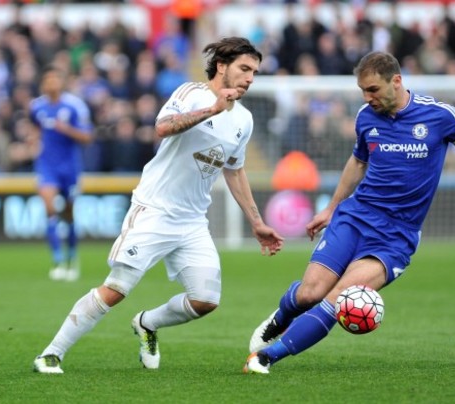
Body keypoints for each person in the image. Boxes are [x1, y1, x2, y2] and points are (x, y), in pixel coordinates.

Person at [243, 51, 455, 374]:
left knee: (340, 296)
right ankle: (280, 318)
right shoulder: (365, 118)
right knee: (310, 292)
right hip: (354, 218)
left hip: (395, 237)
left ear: (396, 82)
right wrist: (331, 208)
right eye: (362, 91)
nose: (367, 98)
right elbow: (357, 162)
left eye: (372, 90)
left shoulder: (439, 116)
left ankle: (266, 357)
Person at [33, 37, 284, 374]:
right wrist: (211, 109)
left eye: (254, 71)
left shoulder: (244, 120)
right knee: (117, 287)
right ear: (222, 66)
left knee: (206, 300)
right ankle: (52, 353)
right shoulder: (190, 93)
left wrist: (256, 222)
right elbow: (162, 128)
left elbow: (234, 171)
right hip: (155, 209)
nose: (250, 77)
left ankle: (147, 323)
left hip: (193, 221)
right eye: (244, 68)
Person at [28, 66, 93, 281]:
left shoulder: (75, 106)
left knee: (68, 213)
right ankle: (57, 261)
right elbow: (34, 127)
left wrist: (66, 129)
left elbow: (87, 137)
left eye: (55, 79)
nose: (51, 83)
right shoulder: (36, 106)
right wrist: (34, 141)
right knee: (48, 207)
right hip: (47, 165)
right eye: (47, 80)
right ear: (43, 84)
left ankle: (71, 258)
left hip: (70, 167)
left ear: (61, 83)